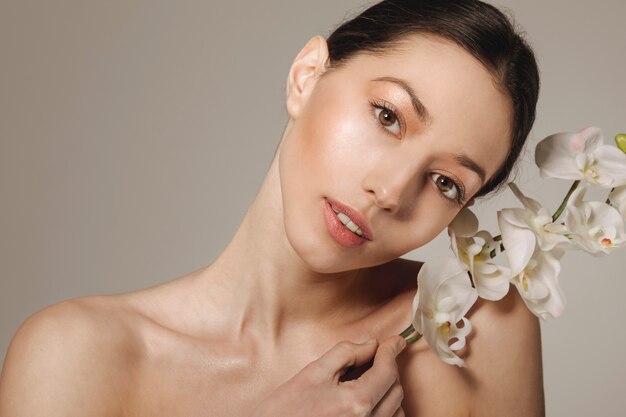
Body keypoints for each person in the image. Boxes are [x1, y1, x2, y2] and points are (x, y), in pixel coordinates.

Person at [0, 0, 543, 416]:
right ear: (306, 76)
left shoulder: (476, 326)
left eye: (447, 183)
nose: (393, 192)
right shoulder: (76, 355)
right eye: (387, 116)